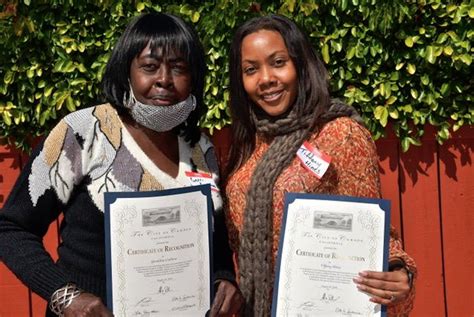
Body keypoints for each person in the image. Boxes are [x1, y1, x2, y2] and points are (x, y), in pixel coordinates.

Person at [0, 12, 243, 316]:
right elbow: (11, 227)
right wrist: (66, 297)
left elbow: (215, 245)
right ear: (126, 71)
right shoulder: (83, 133)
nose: (164, 80)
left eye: (179, 68)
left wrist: (224, 279)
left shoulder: (200, 149)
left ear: (193, 78)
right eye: (149, 67)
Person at [224, 14, 416, 316]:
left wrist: (397, 272)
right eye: (251, 69)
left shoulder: (340, 134)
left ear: (300, 65)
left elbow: (370, 232)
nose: (266, 79)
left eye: (278, 62)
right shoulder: (248, 142)